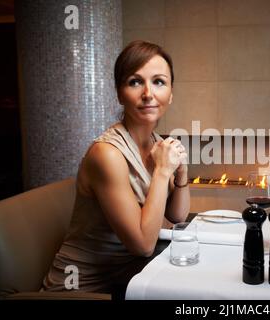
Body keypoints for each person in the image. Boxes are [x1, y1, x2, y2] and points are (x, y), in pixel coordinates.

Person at [42, 41, 190, 297]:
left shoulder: (156, 144)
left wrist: (181, 173)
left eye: (158, 82)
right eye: (135, 82)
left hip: (131, 278)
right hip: (85, 288)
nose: (148, 93)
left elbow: (178, 217)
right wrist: (163, 171)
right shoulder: (107, 154)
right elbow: (143, 245)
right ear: (120, 93)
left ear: (171, 93)